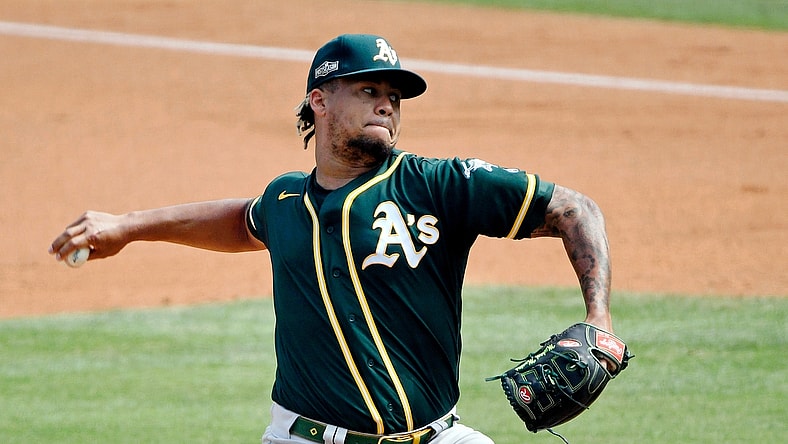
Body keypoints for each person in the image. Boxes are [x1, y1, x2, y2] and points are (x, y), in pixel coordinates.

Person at [49, 34, 615, 444]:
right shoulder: (285, 201)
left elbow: (574, 209)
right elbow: (239, 221)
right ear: (320, 100)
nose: (387, 104)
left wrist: (599, 320)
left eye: (394, 97)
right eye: (369, 89)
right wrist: (127, 227)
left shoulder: (438, 185)